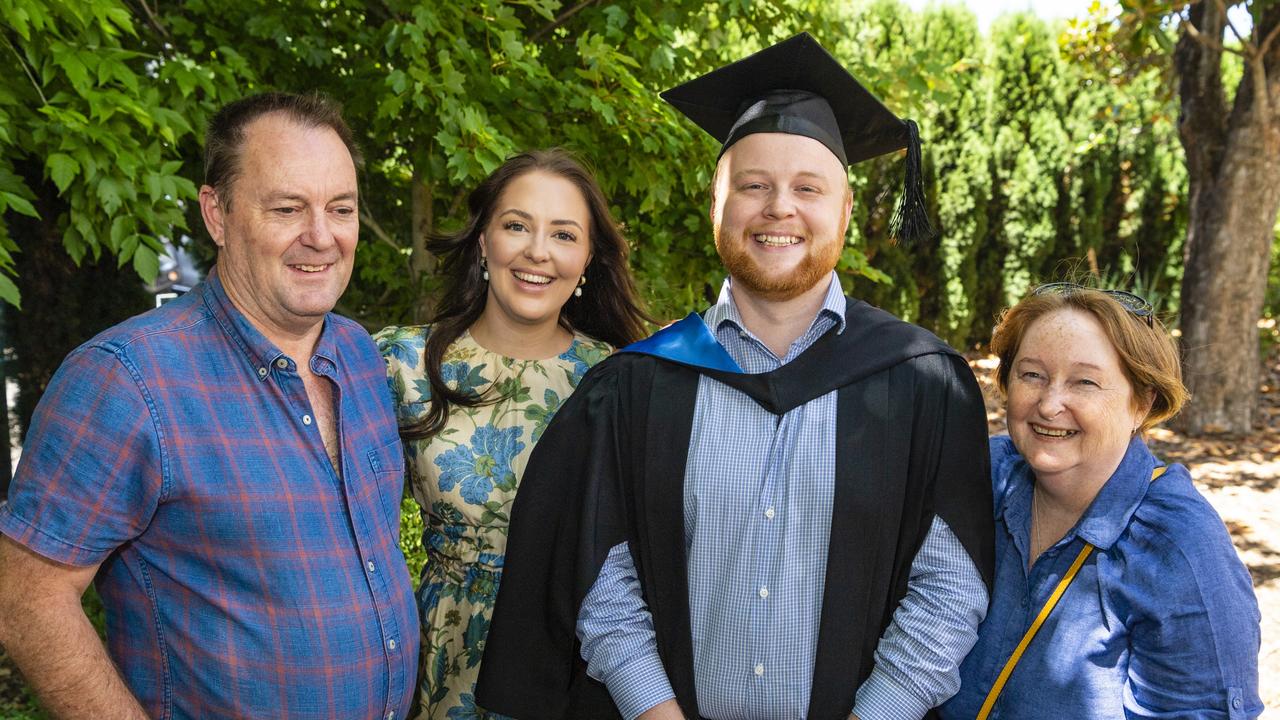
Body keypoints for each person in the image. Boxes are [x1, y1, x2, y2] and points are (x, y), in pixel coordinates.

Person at [476, 33, 994, 720]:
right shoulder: (641, 385)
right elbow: (601, 579)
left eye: (808, 189)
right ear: (715, 206)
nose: (779, 207)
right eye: (753, 186)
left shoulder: (924, 384)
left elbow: (950, 591)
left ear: (844, 213)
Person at [0, 92, 419, 719]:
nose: (322, 235)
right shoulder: (127, 381)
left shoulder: (359, 355)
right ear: (216, 214)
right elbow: (24, 599)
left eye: (341, 208)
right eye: (287, 208)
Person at [374, 149, 650, 719]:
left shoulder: (622, 380)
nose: (537, 251)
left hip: (574, 665)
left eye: (564, 234)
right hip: (437, 661)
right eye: (517, 225)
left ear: (588, 258)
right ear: (483, 242)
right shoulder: (402, 364)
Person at [941, 283, 1263, 719]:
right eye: (1032, 374)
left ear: (1142, 404)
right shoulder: (981, 476)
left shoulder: (1179, 550)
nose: (1050, 404)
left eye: (1085, 382)